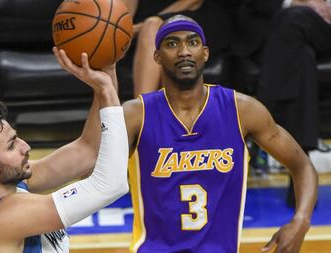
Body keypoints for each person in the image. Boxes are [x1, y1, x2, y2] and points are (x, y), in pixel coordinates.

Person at [62, 15, 318, 253]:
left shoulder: (243, 110)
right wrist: (102, 90)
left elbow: (302, 165)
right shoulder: (135, 115)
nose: (184, 51)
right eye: (172, 44)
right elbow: (86, 162)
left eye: (192, 42)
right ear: (157, 56)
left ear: (205, 53)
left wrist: (301, 220)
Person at [0, 52, 129, 253]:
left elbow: (88, 150)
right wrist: (105, 89)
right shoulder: (2, 217)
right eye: (12, 145)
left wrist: (106, 75)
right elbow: (110, 184)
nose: (26, 146)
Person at [230, 0, 331, 207]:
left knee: (293, 19)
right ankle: (302, 171)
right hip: (275, 33)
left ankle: (259, 118)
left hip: (322, 27)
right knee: (303, 57)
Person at [121, 0, 231, 97]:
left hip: (196, 12)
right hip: (145, 19)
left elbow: (193, 1)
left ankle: (142, 112)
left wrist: (141, 26)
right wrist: (120, 27)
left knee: (153, 27)